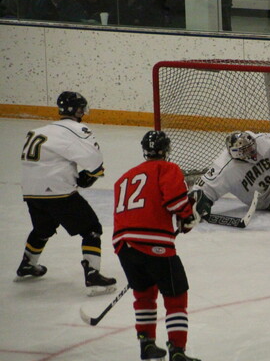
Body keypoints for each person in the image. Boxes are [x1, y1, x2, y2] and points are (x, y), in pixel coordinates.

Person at [15, 91, 117, 296]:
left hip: (30, 191)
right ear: (78, 110)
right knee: (91, 229)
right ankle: (92, 274)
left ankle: (27, 264)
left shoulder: (38, 130)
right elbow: (93, 160)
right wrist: (93, 174)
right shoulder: (77, 129)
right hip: (57, 191)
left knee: (43, 228)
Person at [113, 130, 201, 361]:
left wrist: (180, 222)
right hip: (154, 244)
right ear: (166, 150)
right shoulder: (168, 168)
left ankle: (147, 344)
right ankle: (177, 350)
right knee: (176, 296)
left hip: (123, 244)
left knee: (144, 294)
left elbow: (143, 211)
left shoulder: (124, 177)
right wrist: (188, 213)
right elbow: (174, 201)